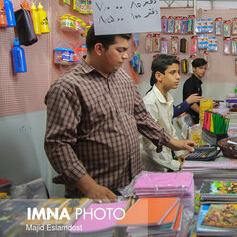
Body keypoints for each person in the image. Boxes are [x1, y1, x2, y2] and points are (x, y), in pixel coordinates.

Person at [44, 26, 194, 199]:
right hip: (96, 191)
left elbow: (141, 117)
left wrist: (171, 142)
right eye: (120, 50)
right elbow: (57, 144)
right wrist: (89, 186)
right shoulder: (68, 87)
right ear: (99, 48)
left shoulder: (123, 79)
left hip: (132, 184)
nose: (125, 56)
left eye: (126, 50)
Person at [142, 55, 199, 172]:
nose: (178, 77)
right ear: (159, 76)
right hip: (153, 166)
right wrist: (175, 164)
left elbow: (170, 130)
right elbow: (150, 145)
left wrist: (180, 154)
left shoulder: (168, 97)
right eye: (173, 72)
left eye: (178, 72)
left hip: (165, 161)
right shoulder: (150, 103)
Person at [182, 58, 209, 124]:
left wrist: (210, 105)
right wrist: (204, 115)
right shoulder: (190, 83)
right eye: (200, 68)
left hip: (196, 117)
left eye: (205, 68)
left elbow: (197, 101)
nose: (203, 70)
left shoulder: (197, 82)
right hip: (191, 118)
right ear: (194, 69)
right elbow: (191, 104)